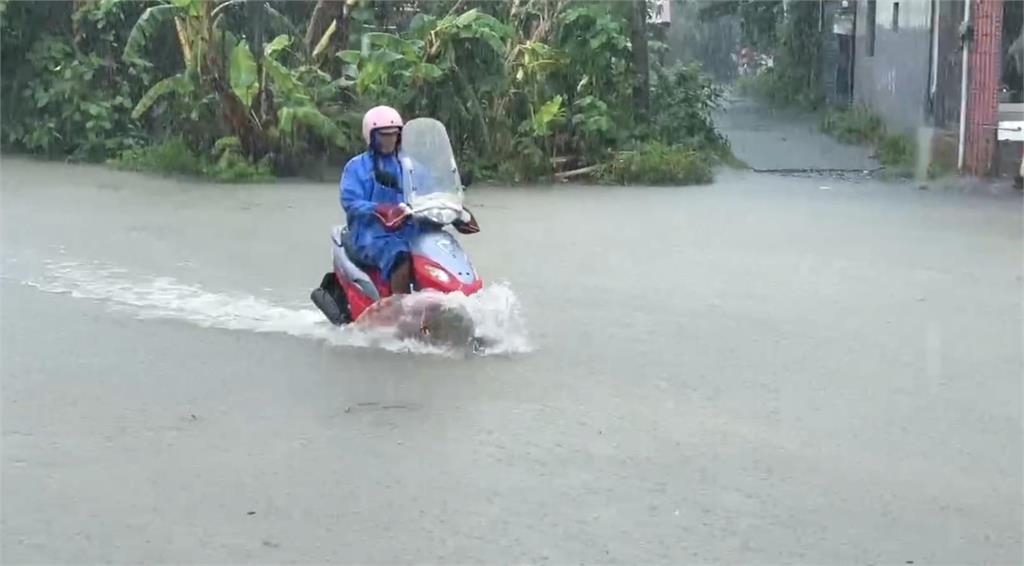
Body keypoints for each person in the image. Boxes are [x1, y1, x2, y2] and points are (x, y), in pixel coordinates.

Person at [340, 105, 479, 295]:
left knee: (442, 250)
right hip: (373, 234)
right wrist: (381, 209)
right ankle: (402, 311)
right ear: (371, 136)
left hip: (412, 229)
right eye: (384, 135)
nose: (390, 139)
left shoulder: (413, 166)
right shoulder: (356, 167)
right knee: (400, 255)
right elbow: (351, 202)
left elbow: (432, 191)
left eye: (394, 134)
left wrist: (454, 207)